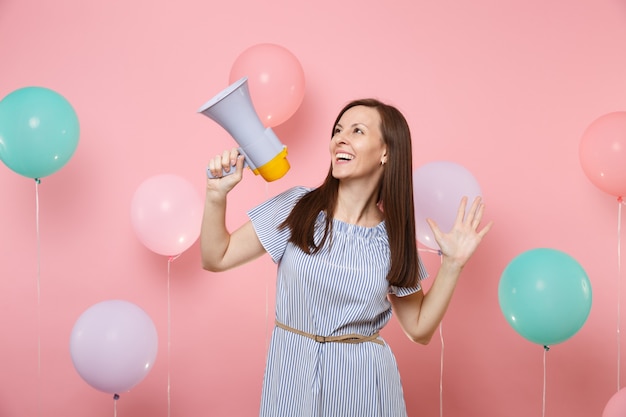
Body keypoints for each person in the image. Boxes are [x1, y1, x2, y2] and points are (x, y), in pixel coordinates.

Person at [200, 98, 492, 417]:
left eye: (357, 131)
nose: (341, 138)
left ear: (386, 152)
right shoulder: (298, 207)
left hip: (363, 387)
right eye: (338, 130)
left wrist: (452, 264)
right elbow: (217, 256)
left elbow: (418, 329)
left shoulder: (394, 240)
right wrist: (216, 195)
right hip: (291, 376)